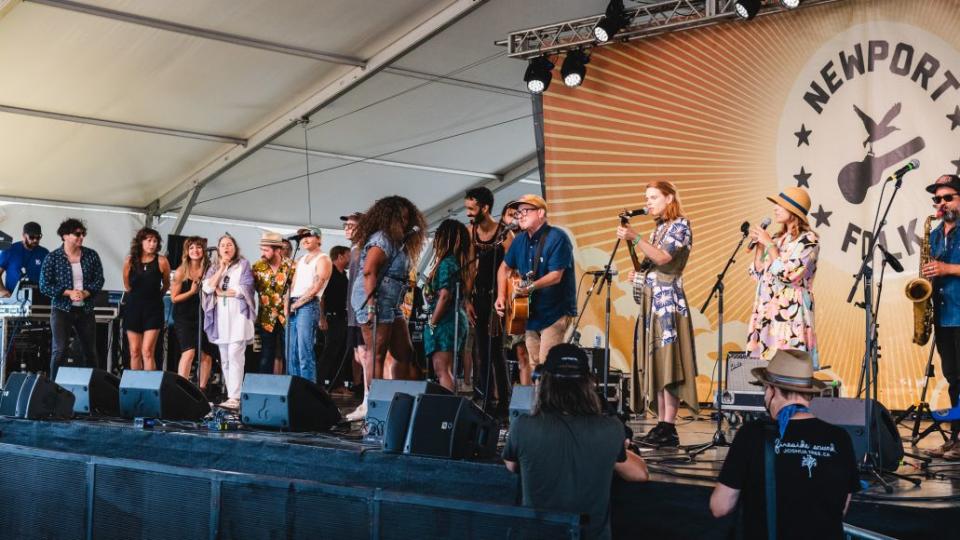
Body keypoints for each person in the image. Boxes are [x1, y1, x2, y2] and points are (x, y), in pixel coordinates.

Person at [503, 343, 648, 540]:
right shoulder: (610, 428)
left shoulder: (522, 426)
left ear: (543, 382)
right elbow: (640, 473)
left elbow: (511, 465)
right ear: (590, 384)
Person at [710, 349, 860, 540]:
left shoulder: (752, 434)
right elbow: (841, 509)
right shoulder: (840, 438)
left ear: (772, 390)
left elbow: (720, 507)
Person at [616, 180, 699, 447]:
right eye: (647, 198)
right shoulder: (659, 229)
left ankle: (669, 424)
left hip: (669, 303)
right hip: (653, 302)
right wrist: (639, 275)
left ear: (669, 198)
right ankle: (662, 424)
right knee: (658, 362)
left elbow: (664, 259)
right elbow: (652, 264)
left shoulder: (681, 225)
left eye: (653, 197)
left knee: (669, 362)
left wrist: (635, 237)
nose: (648, 202)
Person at [347, 196, 426, 421]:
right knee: (376, 354)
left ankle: (399, 398)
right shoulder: (382, 238)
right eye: (400, 217)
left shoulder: (399, 242)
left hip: (392, 302)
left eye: (407, 217)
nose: (404, 221)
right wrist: (371, 307)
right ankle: (375, 406)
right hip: (374, 301)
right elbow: (369, 271)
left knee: (404, 352)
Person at [495, 194, 577, 381]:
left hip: (555, 310)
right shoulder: (519, 241)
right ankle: (539, 406)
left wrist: (531, 287)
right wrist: (501, 296)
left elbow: (556, 276)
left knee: (547, 365)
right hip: (530, 312)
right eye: (518, 213)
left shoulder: (557, 237)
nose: (520, 216)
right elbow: (504, 268)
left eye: (525, 211)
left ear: (540, 212)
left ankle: (550, 407)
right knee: (535, 365)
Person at [746, 186, 820, 367]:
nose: (775, 208)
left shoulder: (808, 240)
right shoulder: (778, 239)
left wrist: (769, 245)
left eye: (780, 205)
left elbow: (788, 274)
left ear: (794, 211)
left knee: (788, 369)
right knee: (765, 369)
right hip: (767, 311)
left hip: (790, 314)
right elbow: (758, 272)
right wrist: (760, 246)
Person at [464, 187, 513, 414]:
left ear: (485, 208)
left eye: (472, 209)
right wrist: (467, 299)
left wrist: (503, 300)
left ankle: (503, 403)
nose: (469, 213)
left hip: (499, 299)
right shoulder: (470, 231)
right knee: (479, 351)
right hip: (479, 297)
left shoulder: (505, 234)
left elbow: (512, 271)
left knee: (495, 353)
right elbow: (470, 268)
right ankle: (484, 399)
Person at [922, 174, 960, 460]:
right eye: (938, 199)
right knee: (953, 378)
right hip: (943, 315)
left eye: (949, 197)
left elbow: (946, 269)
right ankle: (955, 438)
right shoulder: (934, 234)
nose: (942, 203)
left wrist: (947, 269)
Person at [39, 218, 104, 379]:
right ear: (65, 236)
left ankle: (92, 388)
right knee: (59, 350)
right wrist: (68, 292)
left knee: (89, 351)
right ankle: (53, 388)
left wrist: (86, 293)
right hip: (62, 309)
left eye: (83, 234)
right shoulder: (53, 257)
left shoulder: (91, 255)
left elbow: (99, 280)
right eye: (77, 234)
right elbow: (44, 285)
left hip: (85, 309)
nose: (81, 237)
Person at [202, 234, 255, 409]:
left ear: (235, 248)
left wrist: (223, 293)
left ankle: (236, 396)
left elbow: (245, 288)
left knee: (235, 355)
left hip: (238, 315)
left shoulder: (243, 264)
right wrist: (221, 269)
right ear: (218, 249)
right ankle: (231, 395)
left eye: (230, 245)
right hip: (221, 317)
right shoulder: (214, 267)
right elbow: (208, 287)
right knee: (224, 358)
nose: (226, 248)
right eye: (223, 245)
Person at [423, 219, 470, 391]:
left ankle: (446, 410)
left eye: (438, 236)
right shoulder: (454, 262)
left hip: (446, 320)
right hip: (452, 317)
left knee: (442, 369)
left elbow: (444, 296)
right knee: (442, 368)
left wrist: (432, 323)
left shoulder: (446, 263)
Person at [286, 226, 331, 383]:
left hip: (308, 305)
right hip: (294, 303)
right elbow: (293, 284)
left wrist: (297, 304)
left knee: (304, 351)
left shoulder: (323, 259)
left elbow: (316, 286)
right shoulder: (300, 260)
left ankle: (308, 391)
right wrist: (288, 303)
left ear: (318, 239)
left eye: (308, 236)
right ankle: (295, 387)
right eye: (302, 237)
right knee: (291, 352)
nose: (304, 239)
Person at [122, 227, 170, 371]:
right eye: (149, 240)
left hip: (153, 309)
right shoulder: (130, 260)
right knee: (134, 351)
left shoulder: (162, 261)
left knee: (147, 351)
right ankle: (136, 387)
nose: (152, 244)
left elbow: (166, 284)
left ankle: (150, 388)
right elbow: (126, 284)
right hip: (133, 308)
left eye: (155, 241)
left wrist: (155, 296)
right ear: (141, 242)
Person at [171, 236, 215, 393]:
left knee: (207, 354)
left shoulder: (210, 269)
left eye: (198, 247)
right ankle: (181, 389)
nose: (195, 251)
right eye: (191, 248)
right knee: (189, 352)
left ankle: (201, 390)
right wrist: (191, 292)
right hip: (184, 315)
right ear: (187, 252)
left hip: (205, 314)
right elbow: (174, 298)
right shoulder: (181, 271)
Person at [252, 232, 294, 375]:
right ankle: (264, 388)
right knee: (266, 354)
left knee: (288, 353)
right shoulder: (257, 267)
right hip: (266, 316)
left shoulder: (291, 266)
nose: (262, 253)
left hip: (287, 316)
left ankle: (289, 388)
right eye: (261, 249)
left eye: (266, 250)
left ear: (277, 250)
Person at [319, 244, 351, 394]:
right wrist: (322, 318)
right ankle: (319, 384)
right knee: (329, 352)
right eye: (348, 255)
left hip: (342, 317)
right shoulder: (330, 272)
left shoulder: (344, 275)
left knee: (341, 352)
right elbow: (321, 296)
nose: (350, 259)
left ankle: (337, 384)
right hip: (330, 317)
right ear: (340, 256)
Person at [342, 212, 367, 398]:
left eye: (352, 225)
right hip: (353, 311)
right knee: (358, 356)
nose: (347, 229)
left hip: (361, 311)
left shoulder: (364, 249)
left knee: (364, 356)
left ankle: (368, 397)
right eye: (346, 225)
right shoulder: (354, 250)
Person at [0, 221, 49, 297]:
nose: (35, 240)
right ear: (23, 235)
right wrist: (3, 291)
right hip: (13, 299)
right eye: (32, 237)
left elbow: (50, 278)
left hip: (39, 300)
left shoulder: (44, 253)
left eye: (38, 237)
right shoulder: (9, 250)